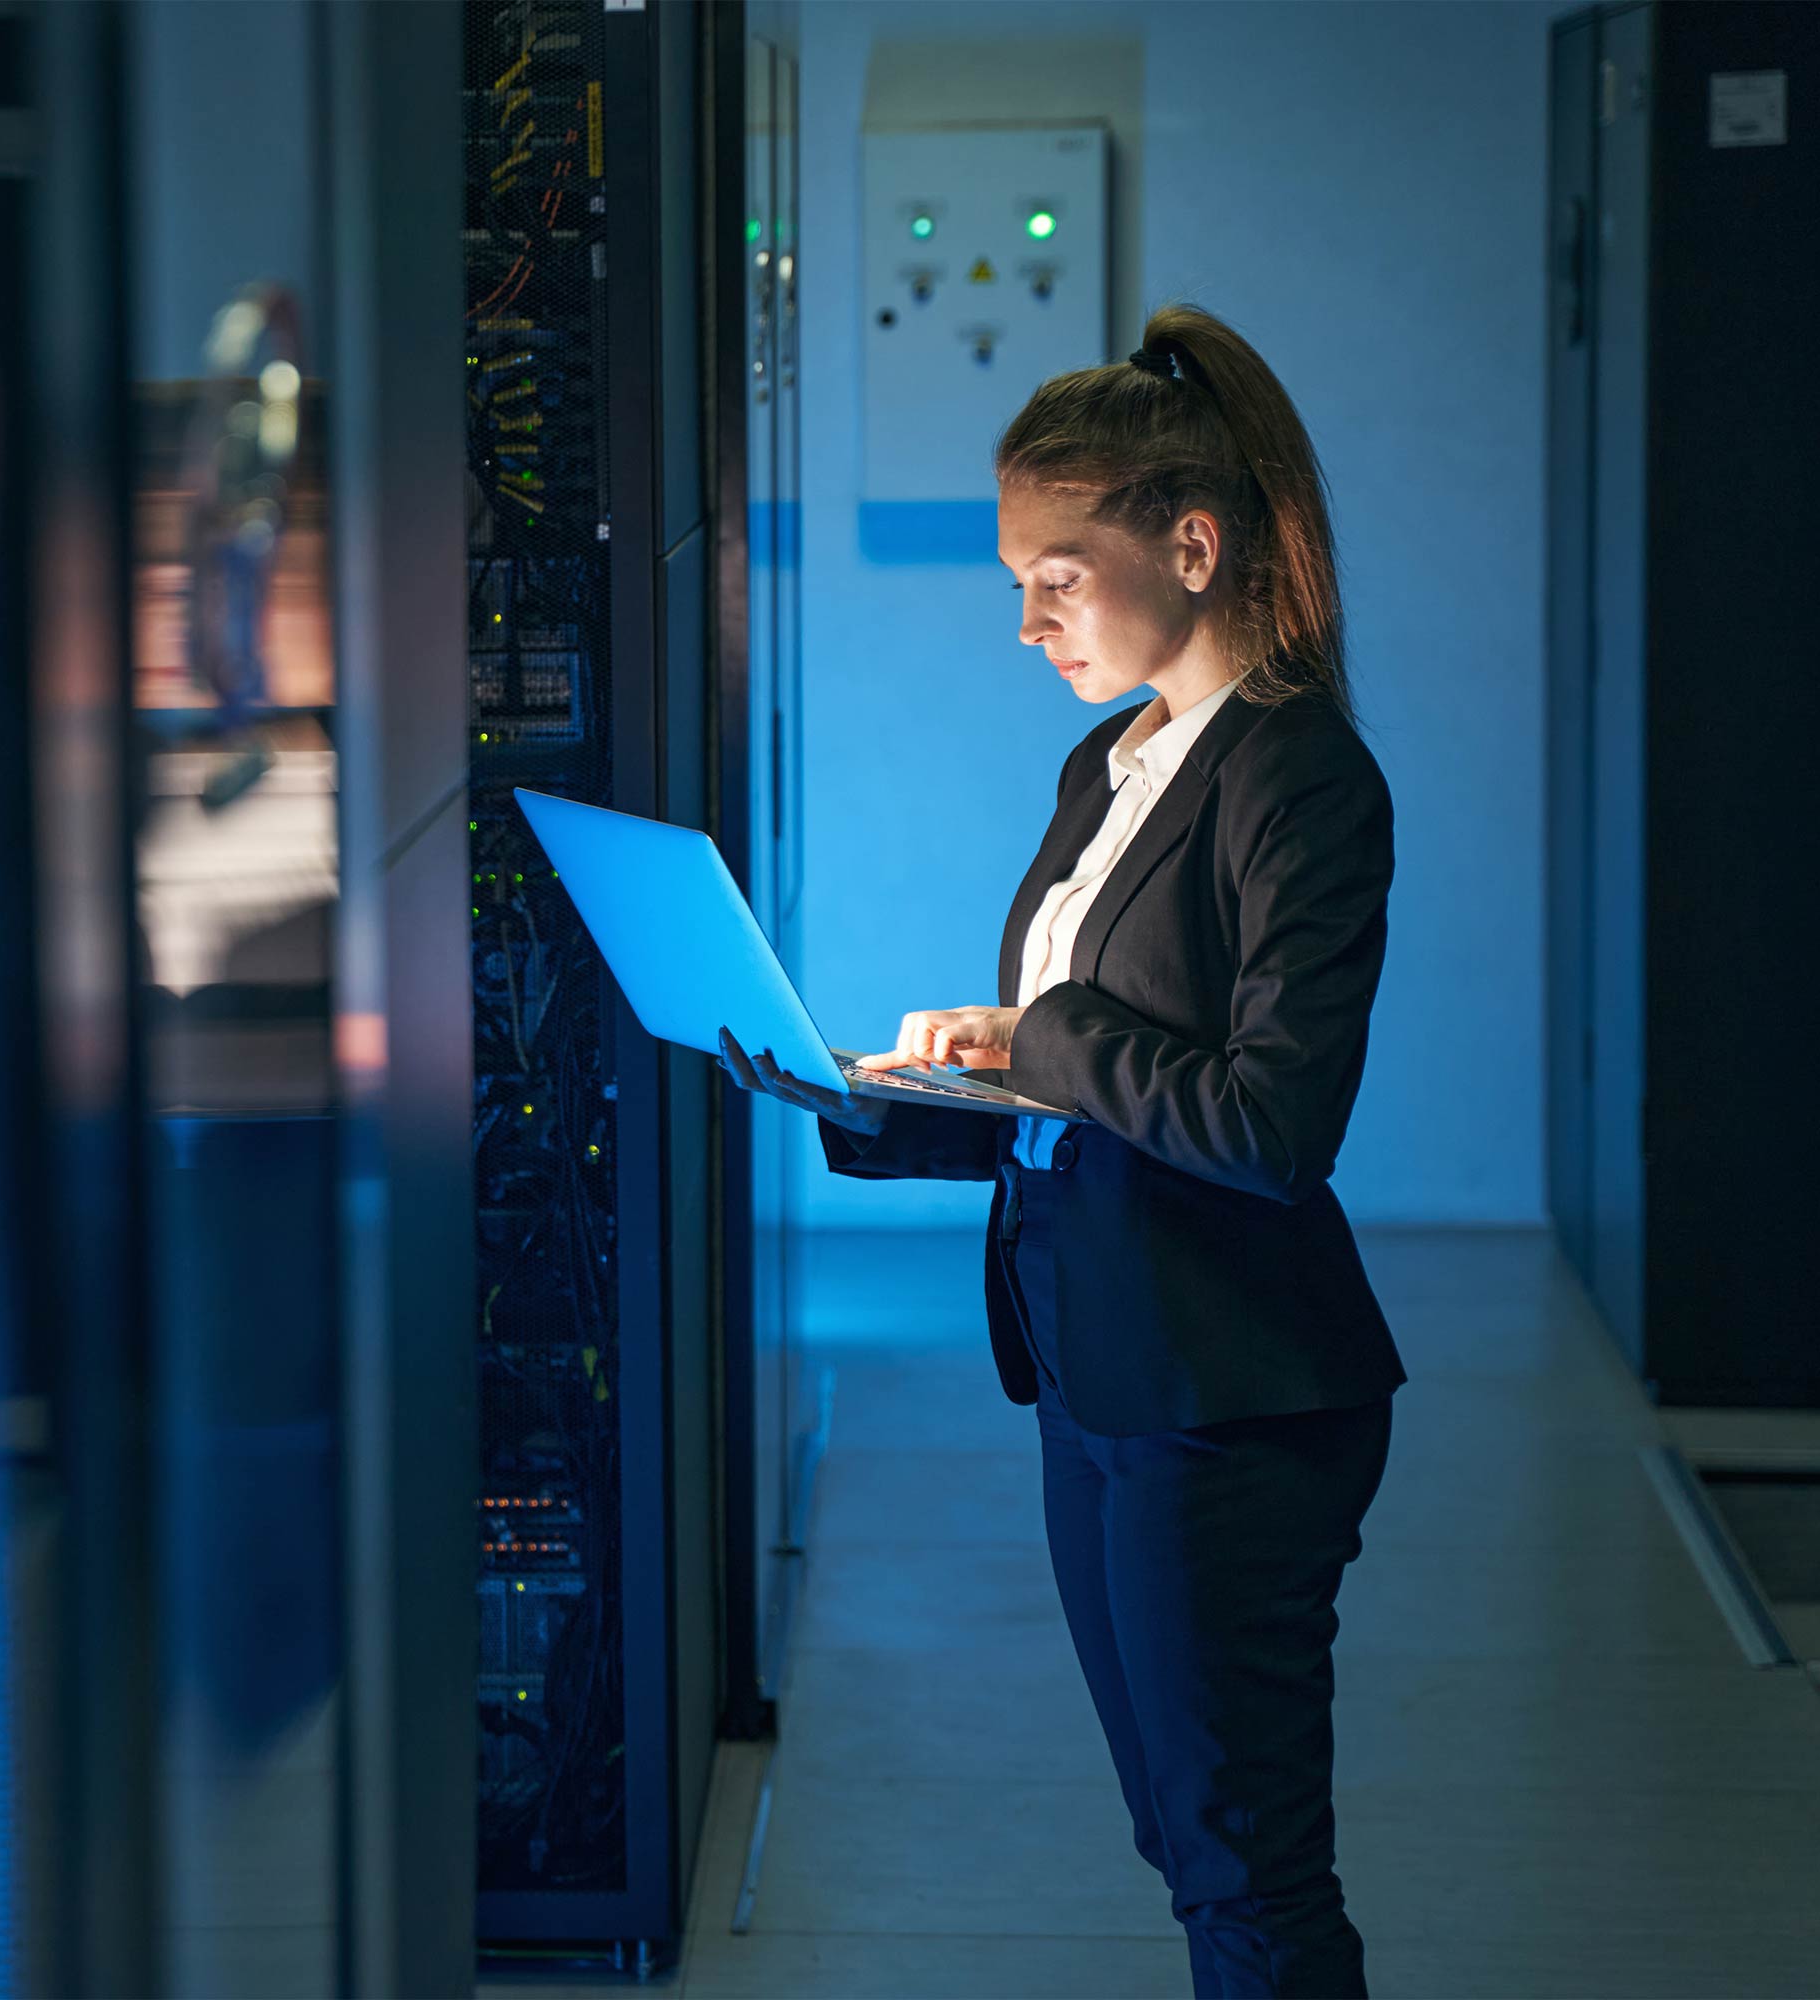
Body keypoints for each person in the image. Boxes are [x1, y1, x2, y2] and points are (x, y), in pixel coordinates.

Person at [718, 302, 1404, 2000]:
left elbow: (1267, 1125)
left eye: (1055, 575)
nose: (1027, 622)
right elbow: (1087, 1107)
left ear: (1192, 543)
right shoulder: (1109, 763)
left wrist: (1038, 1040)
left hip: (1229, 1393)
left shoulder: (1302, 778)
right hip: (1101, 1361)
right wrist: (871, 1104)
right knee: (1189, 1844)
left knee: (1245, 1867)